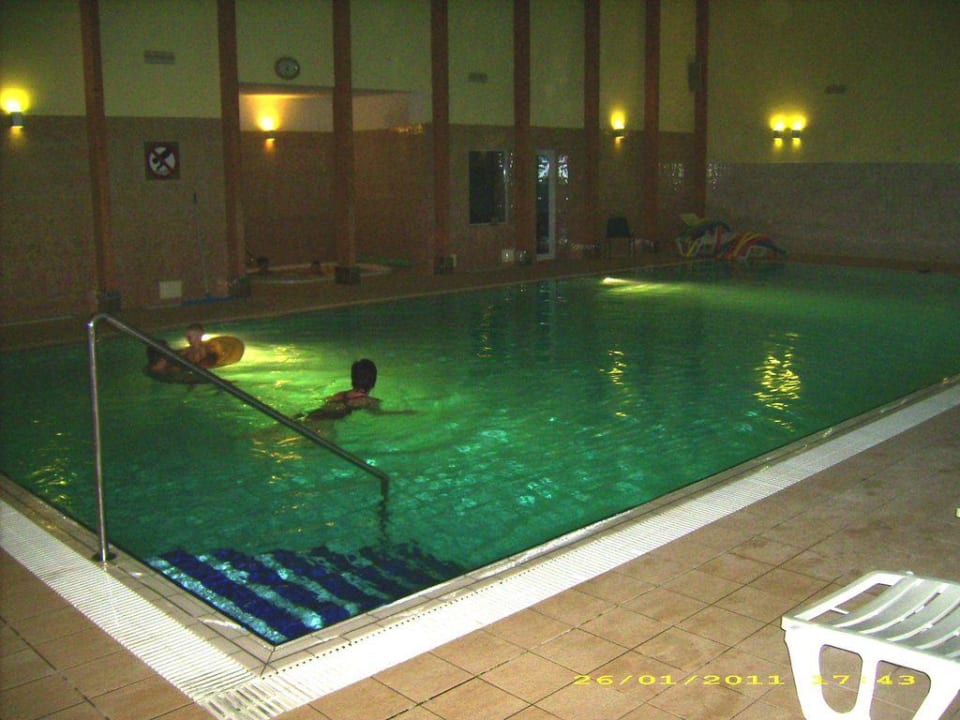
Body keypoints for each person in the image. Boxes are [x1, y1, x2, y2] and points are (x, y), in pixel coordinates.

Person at [302, 358, 383, 421]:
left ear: (353, 379)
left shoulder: (340, 395)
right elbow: (377, 414)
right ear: (373, 382)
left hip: (314, 414)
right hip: (325, 421)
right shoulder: (369, 401)